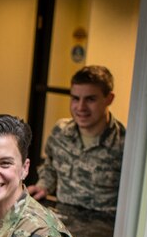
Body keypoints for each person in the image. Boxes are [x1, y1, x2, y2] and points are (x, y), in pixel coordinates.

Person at [28, 65, 126, 214]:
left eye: (90, 99)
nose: (81, 107)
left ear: (109, 99)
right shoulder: (60, 132)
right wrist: (43, 186)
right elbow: (51, 167)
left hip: (103, 232)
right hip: (64, 224)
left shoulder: (125, 143)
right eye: (75, 98)